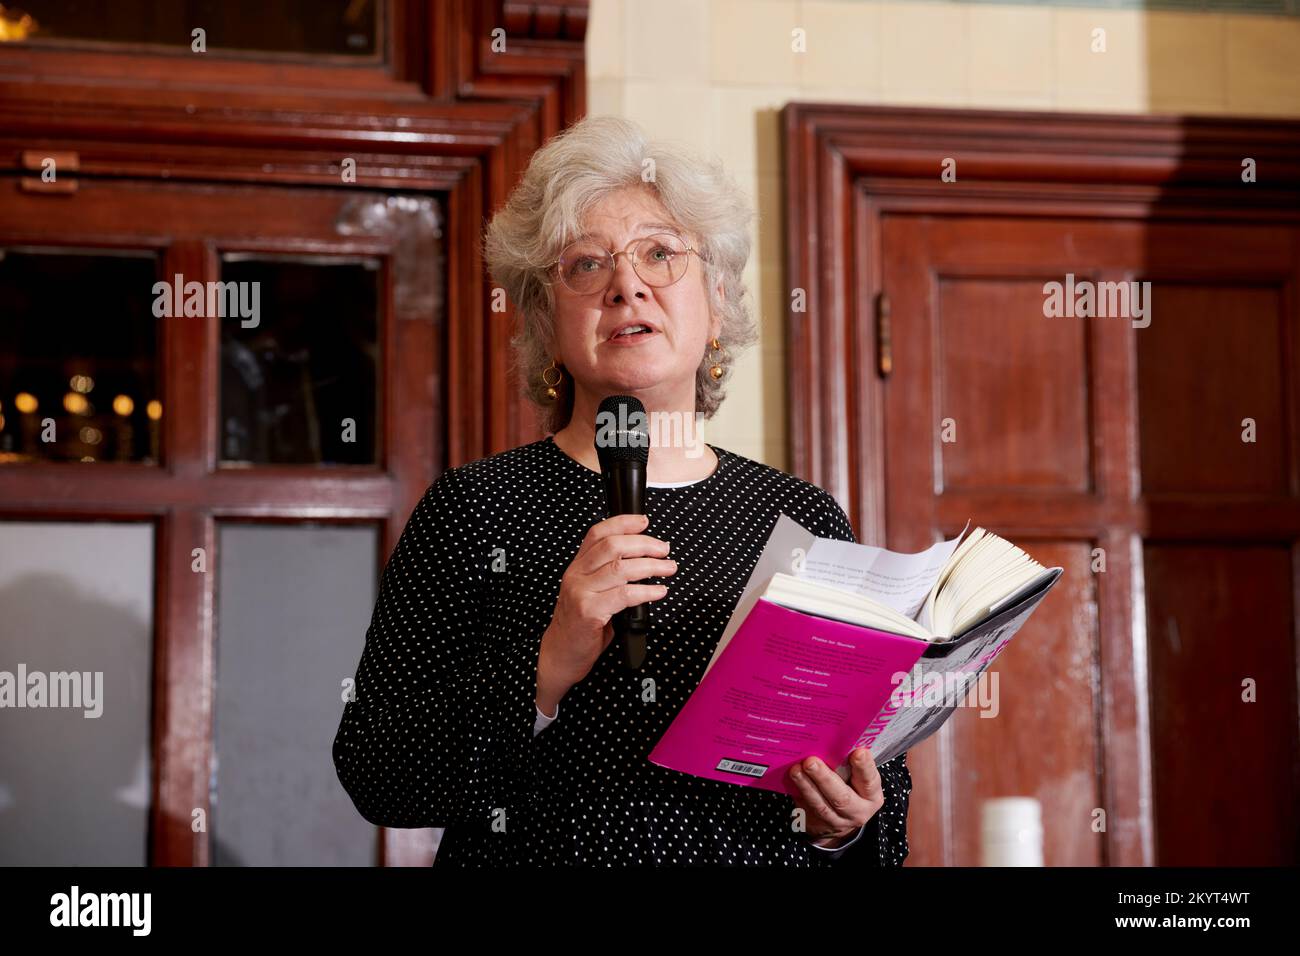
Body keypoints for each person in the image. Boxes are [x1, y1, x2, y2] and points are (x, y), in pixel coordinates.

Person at [332, 115, 911, 866]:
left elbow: (877, 793)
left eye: (661, 255)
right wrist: (546, 666)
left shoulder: (801, 515)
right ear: (545, 317)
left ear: (716, 304)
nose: (627, 285)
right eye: (586, 265)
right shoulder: (474, 508)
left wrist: (849, 822)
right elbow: (380, 775)